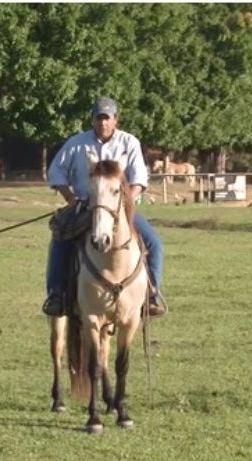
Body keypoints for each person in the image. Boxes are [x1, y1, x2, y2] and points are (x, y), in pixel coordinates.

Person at [42, 96, 165, 317]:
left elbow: (138, 180)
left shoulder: (129, 143)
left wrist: (126, 203)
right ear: (92, 120)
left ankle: (151, 294)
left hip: (119, 208)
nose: (103, 123)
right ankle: (56, 295)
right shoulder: (76, 143)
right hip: (84, 206)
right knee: (60, 240)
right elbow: (56, 171)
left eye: (107, 118)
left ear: (115, 119)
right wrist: (70, 197)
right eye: (99, 118)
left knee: (153, 242)